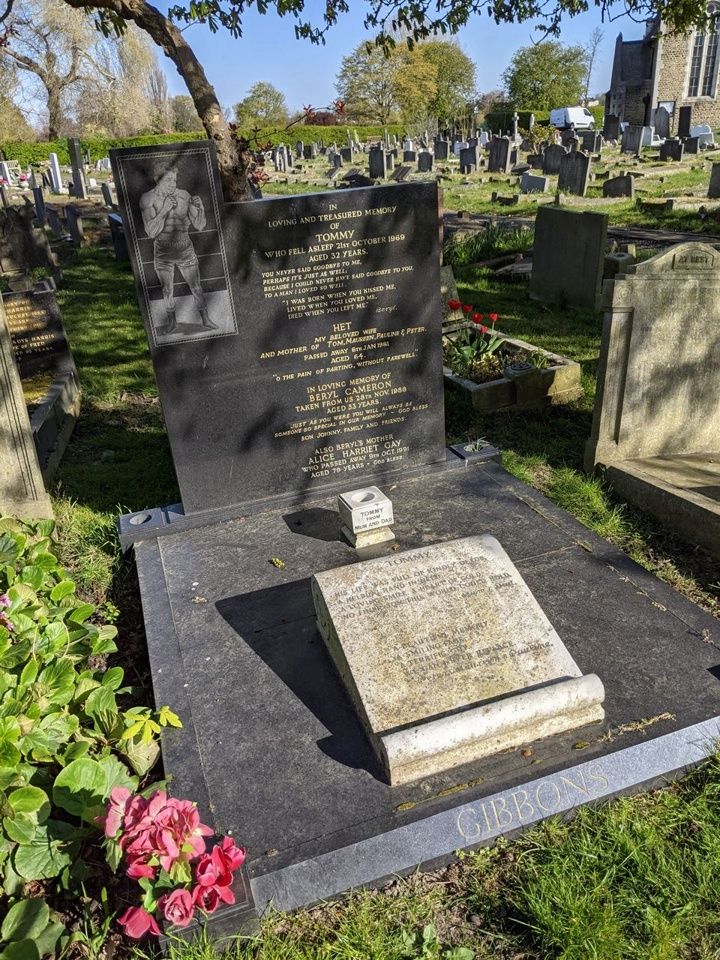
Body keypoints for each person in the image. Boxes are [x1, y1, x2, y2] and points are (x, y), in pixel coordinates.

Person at [140, 167, 217, 333]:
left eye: (174, 180)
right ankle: (172, 322)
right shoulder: (148, 199)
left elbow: (200, 225)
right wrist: (164, 210)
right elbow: (151, 232)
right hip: (163, 251)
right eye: (168, 180)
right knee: (167, 290)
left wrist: (201, 208)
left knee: (196, 287)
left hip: (185, 249)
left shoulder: (184, 195)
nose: (172, 184)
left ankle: (205, 319)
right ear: (157, 179)